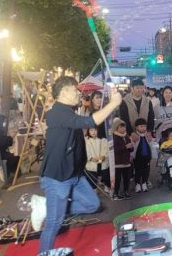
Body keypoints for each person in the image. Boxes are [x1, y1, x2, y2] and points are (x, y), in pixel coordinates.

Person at [35, 77, 121, 254]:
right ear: (64, 92)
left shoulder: (68, 110)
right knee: (53, 222)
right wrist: (113, 104)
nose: (78, 93)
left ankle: (47, 207)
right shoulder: (58, 112)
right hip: (58, 176)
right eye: (75, 90)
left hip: (74, 174)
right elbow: (88, 122)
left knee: (92, 204)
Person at [111, 118, 134, 200]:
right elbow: (115, 149)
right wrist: (125, 147)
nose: (123, 129)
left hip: (126, 162)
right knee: (117, 179)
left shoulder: (126, 136)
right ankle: (115, 193)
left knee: (126, 178)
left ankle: (126, 191)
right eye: (121, 127)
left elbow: (130, 149)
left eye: (124, 127)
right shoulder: (114, 137)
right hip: (118, 162)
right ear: (116, 128)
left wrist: (131, 147)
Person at [131, 118, 153, 193]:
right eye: (141, 126)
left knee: (145, 171)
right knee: (137, 171)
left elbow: (151, 144)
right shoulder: (134, 135)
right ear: (136, 127)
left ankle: (144, 183)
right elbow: (132, 146)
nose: (143, 128)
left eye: (144, 126)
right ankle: (137, 184)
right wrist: (131, 156)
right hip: (137, 158)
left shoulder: (148, 135)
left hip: (146, 157)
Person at [84, 127, 110, 193]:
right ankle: (94, 190)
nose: (93, 132)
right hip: (91, 164)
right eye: (91, 130)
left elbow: (105, 149)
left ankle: (107, 186)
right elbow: (86, 151)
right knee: (92, 179)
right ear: (88, 132)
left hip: (102, 162)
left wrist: (103, 156)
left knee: (106, 175)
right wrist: (91, 158)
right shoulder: (87, 141)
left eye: (95, 130)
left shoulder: (102, 140)